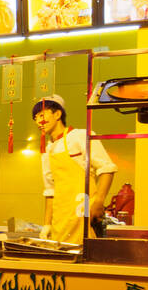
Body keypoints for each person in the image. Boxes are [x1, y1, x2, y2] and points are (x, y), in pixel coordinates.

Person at [33, 94, 116, 245]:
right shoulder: (47, 150)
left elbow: (106, 168)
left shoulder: (80, 136)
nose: (38, 121)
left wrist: (99, 200)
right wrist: (47, 224)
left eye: (41, 115)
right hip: (60, 217)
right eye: (35, 118)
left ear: (57, 114)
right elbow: (50, 191)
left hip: (83, 211)